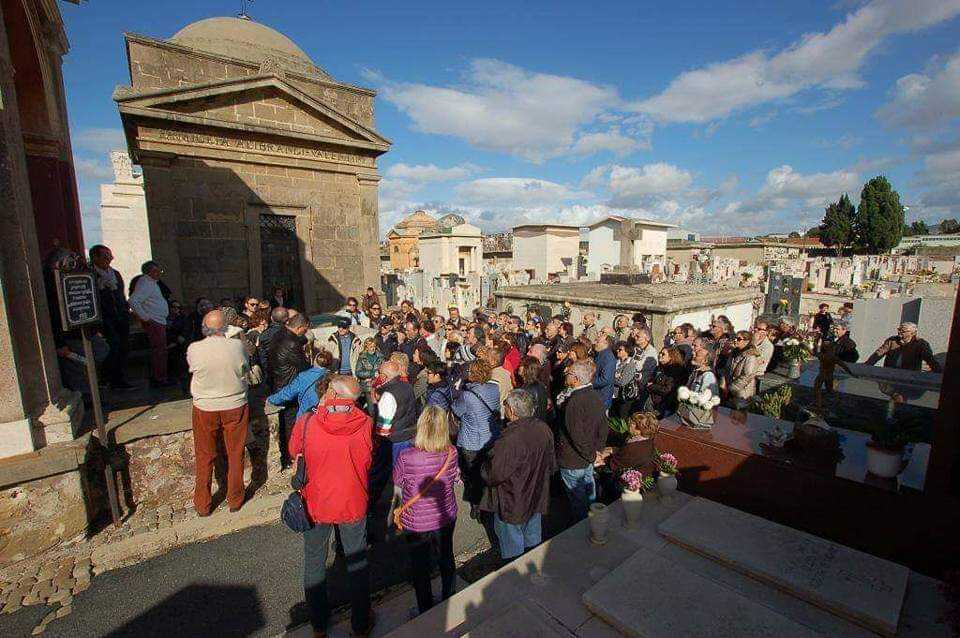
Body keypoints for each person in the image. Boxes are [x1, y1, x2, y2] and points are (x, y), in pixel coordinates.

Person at [288, 375, 374, 637]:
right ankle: (360, 624)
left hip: (317, 501)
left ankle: (319, 625)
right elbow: (368, 460)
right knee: (356, 562)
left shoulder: (306, 423)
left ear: (333, 395)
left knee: (314, 561)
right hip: (352, 499)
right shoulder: (366, 423)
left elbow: (294, 451)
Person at [392, 405, 459, 614]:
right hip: (445, 514)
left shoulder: (407, 456)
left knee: (420, 567)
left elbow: (398, 481)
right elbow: (454, 477)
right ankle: (449, 596)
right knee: (446, 557)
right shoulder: (451, 452)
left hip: (417, 521)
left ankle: (425, 607)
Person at [186, 310, 249, 515]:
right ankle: (235, 499)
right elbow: (244, 369)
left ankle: (202, 504)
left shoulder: (194, 348)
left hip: (206, 406)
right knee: (235, 452)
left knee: (204, 455)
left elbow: (194, 368)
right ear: (225, 328)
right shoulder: (237, 346)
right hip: (234, 402)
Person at [480, 389, 555, 562]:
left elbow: (493, 474)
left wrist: (484, 467)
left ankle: (517, 577)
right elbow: (551, 462)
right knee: (533, 541)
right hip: (536, 494)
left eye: (505, 403)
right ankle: (533, 566)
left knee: (513, 549)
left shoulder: (509, 440)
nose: (503, 407)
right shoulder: (543, 428)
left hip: (512, 501)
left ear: (512, 411)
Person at [556, 360, 607, 521]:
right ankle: (594, 522)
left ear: (576, 379)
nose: (566, 375)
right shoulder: (594, 396)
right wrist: (597, 452)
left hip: (574, 461)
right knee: (590, 495)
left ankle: (584, 529)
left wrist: (592, 455)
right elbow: (603, 426)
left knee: (579, 502)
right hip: (588, 458)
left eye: (569, 373)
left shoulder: (574, 402)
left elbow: (577, 436)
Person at [451, 360, 501, 518]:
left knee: (473, 476)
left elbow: (457, 411)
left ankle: (477, 506)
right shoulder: (495, 388)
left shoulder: (467, 395)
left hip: (471, 441)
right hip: (491, 437)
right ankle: (489, 503)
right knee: (487, 473)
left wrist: (457, 391)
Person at [371, 360, 418, 506]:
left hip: (393, 438)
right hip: (408, 434)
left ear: (384, 376)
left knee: (383, 472)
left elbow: (383, 426)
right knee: (404, 471)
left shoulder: (388, 395)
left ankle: (382, 503)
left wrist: (377, 441)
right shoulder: (408, 386)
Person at [89, 245, 133, 389]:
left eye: (110, 256)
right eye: (105, 256)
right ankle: (106, 378)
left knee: (123, 347)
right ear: (95, 257)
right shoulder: (90, 275)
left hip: (120, 316)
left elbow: (121, 294)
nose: (110, 259)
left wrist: (126, 311)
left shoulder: (116, 274)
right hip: (105, 318)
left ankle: (120, 378)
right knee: (111, 347)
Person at [129, 260, 172, 387]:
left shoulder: (152, 283)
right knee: (159, 351)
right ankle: (159, 378)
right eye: (156, 271)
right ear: (149, 272)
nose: (159, 273)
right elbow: (133, 301)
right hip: (154, 322)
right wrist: (146, 318)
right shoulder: (145, 283)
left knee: (161, 350)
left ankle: (161, 376)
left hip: (159, 320)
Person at [267, 348, 332, 418]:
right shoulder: (332, 377)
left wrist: (271, 400)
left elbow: (288, 392)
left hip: (306, 416)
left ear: (315, 360)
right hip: (323, 416)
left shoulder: (304, 377)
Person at [598, 411, 659, 480]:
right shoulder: (647, 441)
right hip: (637, 472)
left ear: (640, 428)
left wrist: (602, 456)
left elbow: (615, 465)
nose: (629, 422)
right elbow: (618, 440)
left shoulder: (633, 447)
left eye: (632, 422)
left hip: (626, 479)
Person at [865, 322, 942, 372]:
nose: (899, 332)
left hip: (908, 375)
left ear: (913, 333)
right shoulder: (892, 340)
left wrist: (938, 373)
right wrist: (866, 366)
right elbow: (878, 354)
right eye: (899, 329)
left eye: (903, 331)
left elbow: (930, 359)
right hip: (890, 373)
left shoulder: (921, 344)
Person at [723, 330, 761, 408]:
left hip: (742, 394)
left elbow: (747, 376)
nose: (735, 340)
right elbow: (727, 370)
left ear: (747, 341)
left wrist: (731, 388)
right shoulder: (734, 353)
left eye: (739, 339)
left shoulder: (751, 357)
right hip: (730, 391)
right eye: (735, 338)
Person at [645, 347, 686, 417]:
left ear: (671, 357)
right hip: (652, 400)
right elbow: (652, 379)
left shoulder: (674, 371)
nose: (660, 355)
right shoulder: (660, 367)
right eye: (660, 353)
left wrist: (651, 386)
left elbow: (667, 389)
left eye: (663, 354)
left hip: (663, 405)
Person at [258, 307, 289, 388]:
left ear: (271, 318)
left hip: (272, 372)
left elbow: (263, 357)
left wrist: (267, 370)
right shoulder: (290, 332)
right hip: (288, 372)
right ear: (287, 319)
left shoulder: (264, 335)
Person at [612, 341, 639, 419]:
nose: (617, 350)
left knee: (621, 419)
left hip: (623, 396)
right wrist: (616, 376)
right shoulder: (616, 362)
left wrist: (611, 377)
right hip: (613, 395)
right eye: (617, 349)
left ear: (627, 351)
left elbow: (622, 382)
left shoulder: (630, 364)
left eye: (620, 349)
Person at [517, 356, 548, 421]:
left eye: (521, 364)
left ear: (527, 368)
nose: (519, 366)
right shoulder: (541, 385)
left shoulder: (527, 390)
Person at [592, 333, 617, 410]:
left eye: (598, 341)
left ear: (605, 343)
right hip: (596, 396)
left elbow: (606, 379)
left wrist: (589, 383)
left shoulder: (608, 357)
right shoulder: (600, 354)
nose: (595, 343)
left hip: (602, 398)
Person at [486, 346, 514, 412]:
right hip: (504, 410)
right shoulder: (507, 373)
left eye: (487, 357)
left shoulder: (492, 376)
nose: (484, 359)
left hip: (496, 412)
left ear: (493, 361)